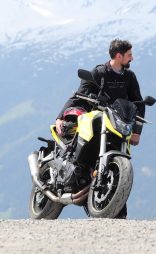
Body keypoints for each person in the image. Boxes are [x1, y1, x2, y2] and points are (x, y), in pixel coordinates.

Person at [55, 39, 145, 218]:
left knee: (119, 162)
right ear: (118, 56)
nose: (132, 58)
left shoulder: (130, 77)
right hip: (97, 121)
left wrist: (136, 131)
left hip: (119, 123)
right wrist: (59, 116)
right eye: (129, 55)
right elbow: (78, 95)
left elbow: (138, 103)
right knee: (88, 155)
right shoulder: (99, 73)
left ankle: (118, 212)